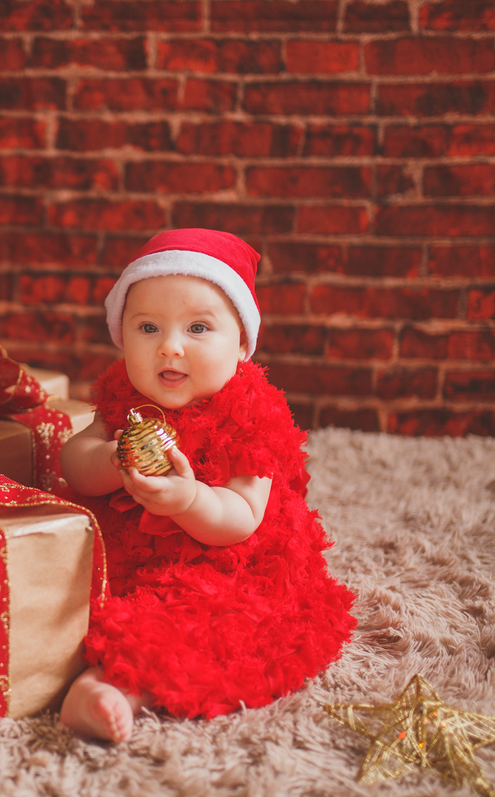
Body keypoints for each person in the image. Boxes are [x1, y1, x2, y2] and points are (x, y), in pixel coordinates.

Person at [59, 228, 356, 743]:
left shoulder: (251, 414)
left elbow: (241, 517)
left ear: (241, 346)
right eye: (148, 327)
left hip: (221, 562)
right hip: (124, 550)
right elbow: (74, 462)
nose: (170, 347)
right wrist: (111, 458)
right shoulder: (123, 399)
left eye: (198, 328)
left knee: (216, 628)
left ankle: (115, 689)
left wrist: (189, 500)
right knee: (56, 590)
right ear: (121, 335)